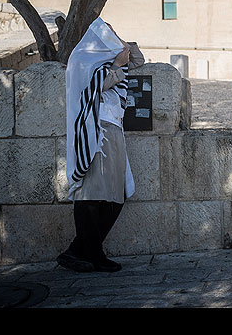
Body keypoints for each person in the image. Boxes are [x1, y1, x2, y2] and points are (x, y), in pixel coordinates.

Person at [57, 17, 145, 273]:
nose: (113, 34)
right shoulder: (81, 60)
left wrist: (121, 45)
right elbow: (86, 90)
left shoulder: (107, 60)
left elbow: (138, 60)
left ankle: (78, 250)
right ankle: (93, 254)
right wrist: (116, 67)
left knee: (116, 196)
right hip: (93, 132)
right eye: (109, 32)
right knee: (91, 194)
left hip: (114, 129)